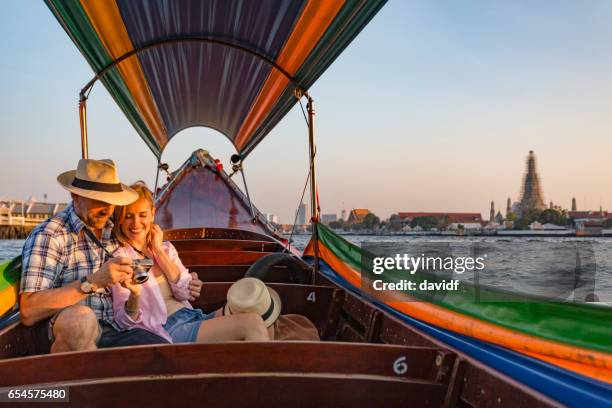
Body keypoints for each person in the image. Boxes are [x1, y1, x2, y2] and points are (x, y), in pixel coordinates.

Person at [19, 158, 203, 353]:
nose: (107, 208)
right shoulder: (51, 235)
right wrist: (92, 283)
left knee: (163, 352)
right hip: (70, 327)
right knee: (81, 320)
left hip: (117, 328)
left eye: (112, 201)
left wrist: (186, 280)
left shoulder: (113, 227)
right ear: (75, 195)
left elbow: (146, 245)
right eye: (98, 200)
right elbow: (29, 310)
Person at [111, 182, 270, 343]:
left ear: (152, 214)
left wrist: (158, 251)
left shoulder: (165, 248)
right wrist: (135, 294)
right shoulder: (120, 259)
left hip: (191, 315)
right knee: (252, 324)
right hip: (167, 329)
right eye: (128, 216)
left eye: (142, 215)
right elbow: (124, 320)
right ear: (120, 220)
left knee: (253, 312)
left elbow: (185, 292)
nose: (136, 223)